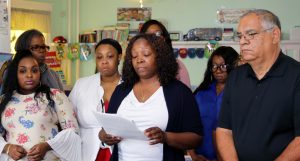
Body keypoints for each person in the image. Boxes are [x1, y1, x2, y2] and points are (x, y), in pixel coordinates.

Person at [98, 34, 202, 161]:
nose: (139, 60)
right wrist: (104, 136)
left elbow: (196, 138)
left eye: (146, 54)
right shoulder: (121, 91)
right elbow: (105, 130)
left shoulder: (179, 92)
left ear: (159, 57)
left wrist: (166, 137)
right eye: (134, 56)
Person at [216, 9, 300, 161]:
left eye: (251, 34)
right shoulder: (236, 76)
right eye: (240, 36)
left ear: (274, 35)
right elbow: (224, 130)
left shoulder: (296, 76)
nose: (242, 41)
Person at [0, 50, 80, 161]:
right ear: (15, 74)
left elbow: (73, 133)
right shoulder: (4, 100)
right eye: (23, 71)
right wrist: (7, 148)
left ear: (39, 73)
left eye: (34, 70)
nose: (29, 75)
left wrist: (48, 146)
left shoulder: (55, 95)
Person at [69, 38, 122, 161]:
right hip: (87, 151)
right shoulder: (81, 85)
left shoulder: (130, 86)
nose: (104, 62)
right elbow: (69, 120)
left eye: (109, 56)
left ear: (119, 57)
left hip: (122, 151)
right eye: (99, 57)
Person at [188, 46, 239, 161]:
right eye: (214, 66)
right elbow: (189, 125)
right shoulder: (201, 94)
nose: (218, 70)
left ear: (233, 66)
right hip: (201, 157)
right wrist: (193, 155)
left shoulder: (240, 93)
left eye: (223, 66)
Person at [1, 29, 64, 94]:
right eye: (36, 47)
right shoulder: (11, 72)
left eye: (43, 47)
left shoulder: (53, 74)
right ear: (24, 50)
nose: (41, 50)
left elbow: (63, 99)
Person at [139, 19, 192, 89]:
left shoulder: (178, 65)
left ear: (164, 39)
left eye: (158, 34)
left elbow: (186, 96)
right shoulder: (138, 64)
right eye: (148, 35)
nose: (153, 38)